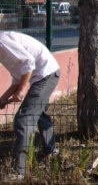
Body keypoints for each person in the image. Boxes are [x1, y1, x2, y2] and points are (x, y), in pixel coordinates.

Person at [0, 31, 60, 178]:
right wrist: (3, 98)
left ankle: (18, 171)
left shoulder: (2, 42)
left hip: (46, 74)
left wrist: (20, 91)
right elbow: (17, 76)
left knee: (24, 119)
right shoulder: (3, 49)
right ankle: (50, 151)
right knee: (38, 113)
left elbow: (29, 62)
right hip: (46, 73)